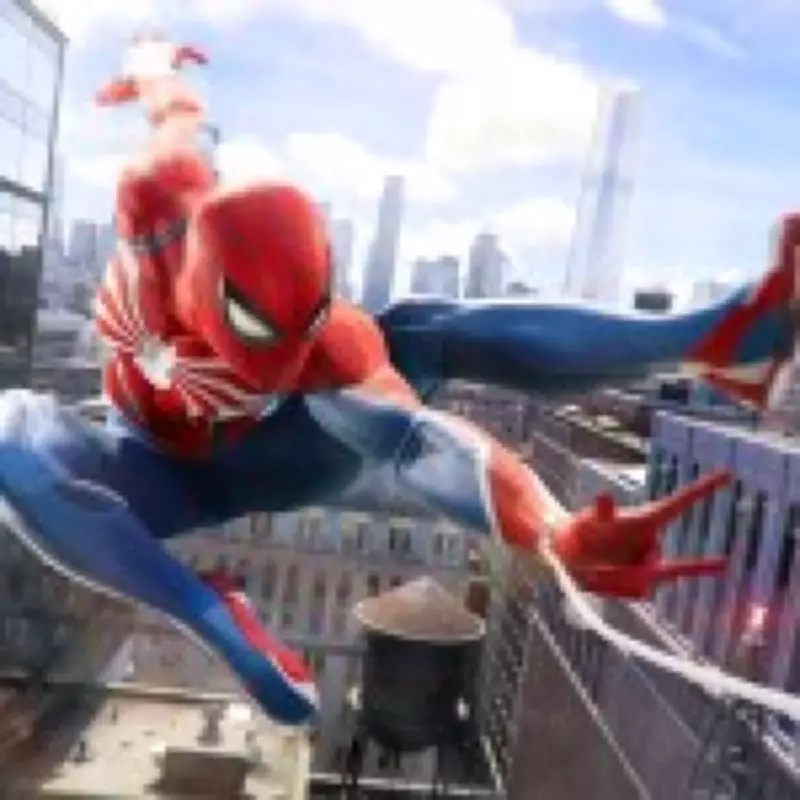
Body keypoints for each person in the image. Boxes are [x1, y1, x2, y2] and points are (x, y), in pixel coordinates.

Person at [0, 33, 795, 726]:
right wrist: (153, 67)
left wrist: (550, 529)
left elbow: (416, 442)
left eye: (308, 323)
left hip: (275, 462)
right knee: (13, 440)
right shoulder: (156, 199)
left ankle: (717, 342)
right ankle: (215, 616)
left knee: (416, 330)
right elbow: (175, 114)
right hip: (148, 468)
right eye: (259, 331)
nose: (283, 366)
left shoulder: (331, 342)